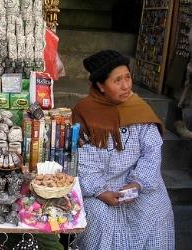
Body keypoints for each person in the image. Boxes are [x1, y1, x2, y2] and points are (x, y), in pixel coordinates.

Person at [72, 50, 175, 250]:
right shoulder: (85, 111)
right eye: (117, 80)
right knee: (98, 217)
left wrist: (137, 183)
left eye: (127, 77)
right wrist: (100, 191)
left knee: (156, 211)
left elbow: (152, 151)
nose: (126, 86)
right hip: (101, 186)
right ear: (101, 86)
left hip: (139, 184)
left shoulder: (139, 108)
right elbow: (82, 159)